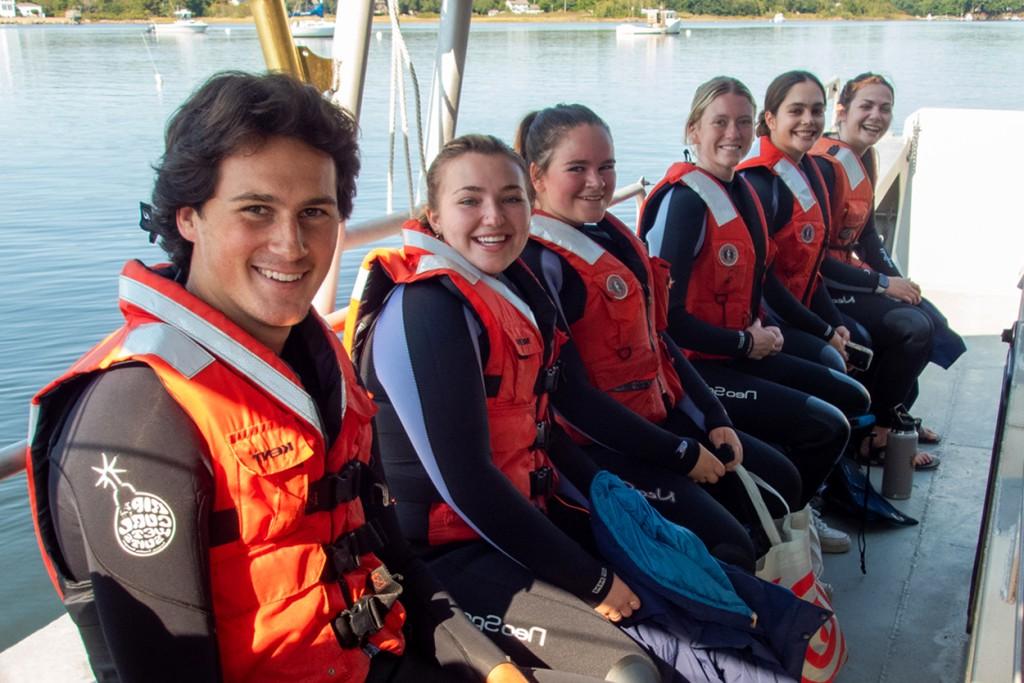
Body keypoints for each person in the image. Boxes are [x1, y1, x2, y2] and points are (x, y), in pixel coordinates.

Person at [24, 72, 555, 683]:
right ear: (188, 217)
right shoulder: (140, 415)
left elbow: (388, 548)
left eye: (315, 212)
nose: (292, 244)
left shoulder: (316, 359)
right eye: (256, 210)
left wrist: (489, 666)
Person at [345, 134, 827, 682]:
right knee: (630, 672)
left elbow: (547, 416)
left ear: (530, 203)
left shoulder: (513, 289)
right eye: (470, 200)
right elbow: (466, 484)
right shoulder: (427, 310)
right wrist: (590, 580)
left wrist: (616, 503)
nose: (493, 216)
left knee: (704, 574)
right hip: (445, 554)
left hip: (531, 509)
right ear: (433, 216)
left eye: (510, 198)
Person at [513, 103, 800, 573]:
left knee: (779, 481)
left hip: (658, 417)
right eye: (577, 169)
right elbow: (573, 401)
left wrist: (713, 415)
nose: (597, 181)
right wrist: (681, 454)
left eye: (606, 167)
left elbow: (659, 340)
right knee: (730, 545)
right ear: (537, 175)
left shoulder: (611, 237)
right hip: (599, 447)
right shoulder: (537, 263)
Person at [638, 77, 870, 553]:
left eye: (742, 122)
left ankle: (794, 514)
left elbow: (759, 281)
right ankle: (780, 527)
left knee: (848, 396)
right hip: (698, 369)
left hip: (739, 349)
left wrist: (768, 333)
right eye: (719, 122)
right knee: (826, 426)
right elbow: (667, 321)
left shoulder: (740, 191)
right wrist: (746, 343)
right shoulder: (684, 204)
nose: (733, 133)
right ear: (693, 129)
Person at [811, 72, 963, 469]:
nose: (876, 116)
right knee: (912, 328)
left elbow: (868, 239)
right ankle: (875, 432)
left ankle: (893, 414)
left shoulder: (865, 157)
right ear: (842, 111)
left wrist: (900, 281)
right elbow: (814, 257)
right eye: (866, 106)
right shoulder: (825, 166)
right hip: (823, 282)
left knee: (931, 318)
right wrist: (881, 284)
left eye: (885, 108)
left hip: (850, 271)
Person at [736, 71, 852, 373]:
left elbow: (811, 271)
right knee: (833, 363)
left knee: (858, 339)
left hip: (799, 311)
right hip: (770, 320)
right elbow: (764, 283)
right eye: (796, 111)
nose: (808, 120)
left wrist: (834, 323)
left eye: (816, 111)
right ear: (771, 119)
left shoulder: (809, 171)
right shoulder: (758, 184)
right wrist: (824, 331)